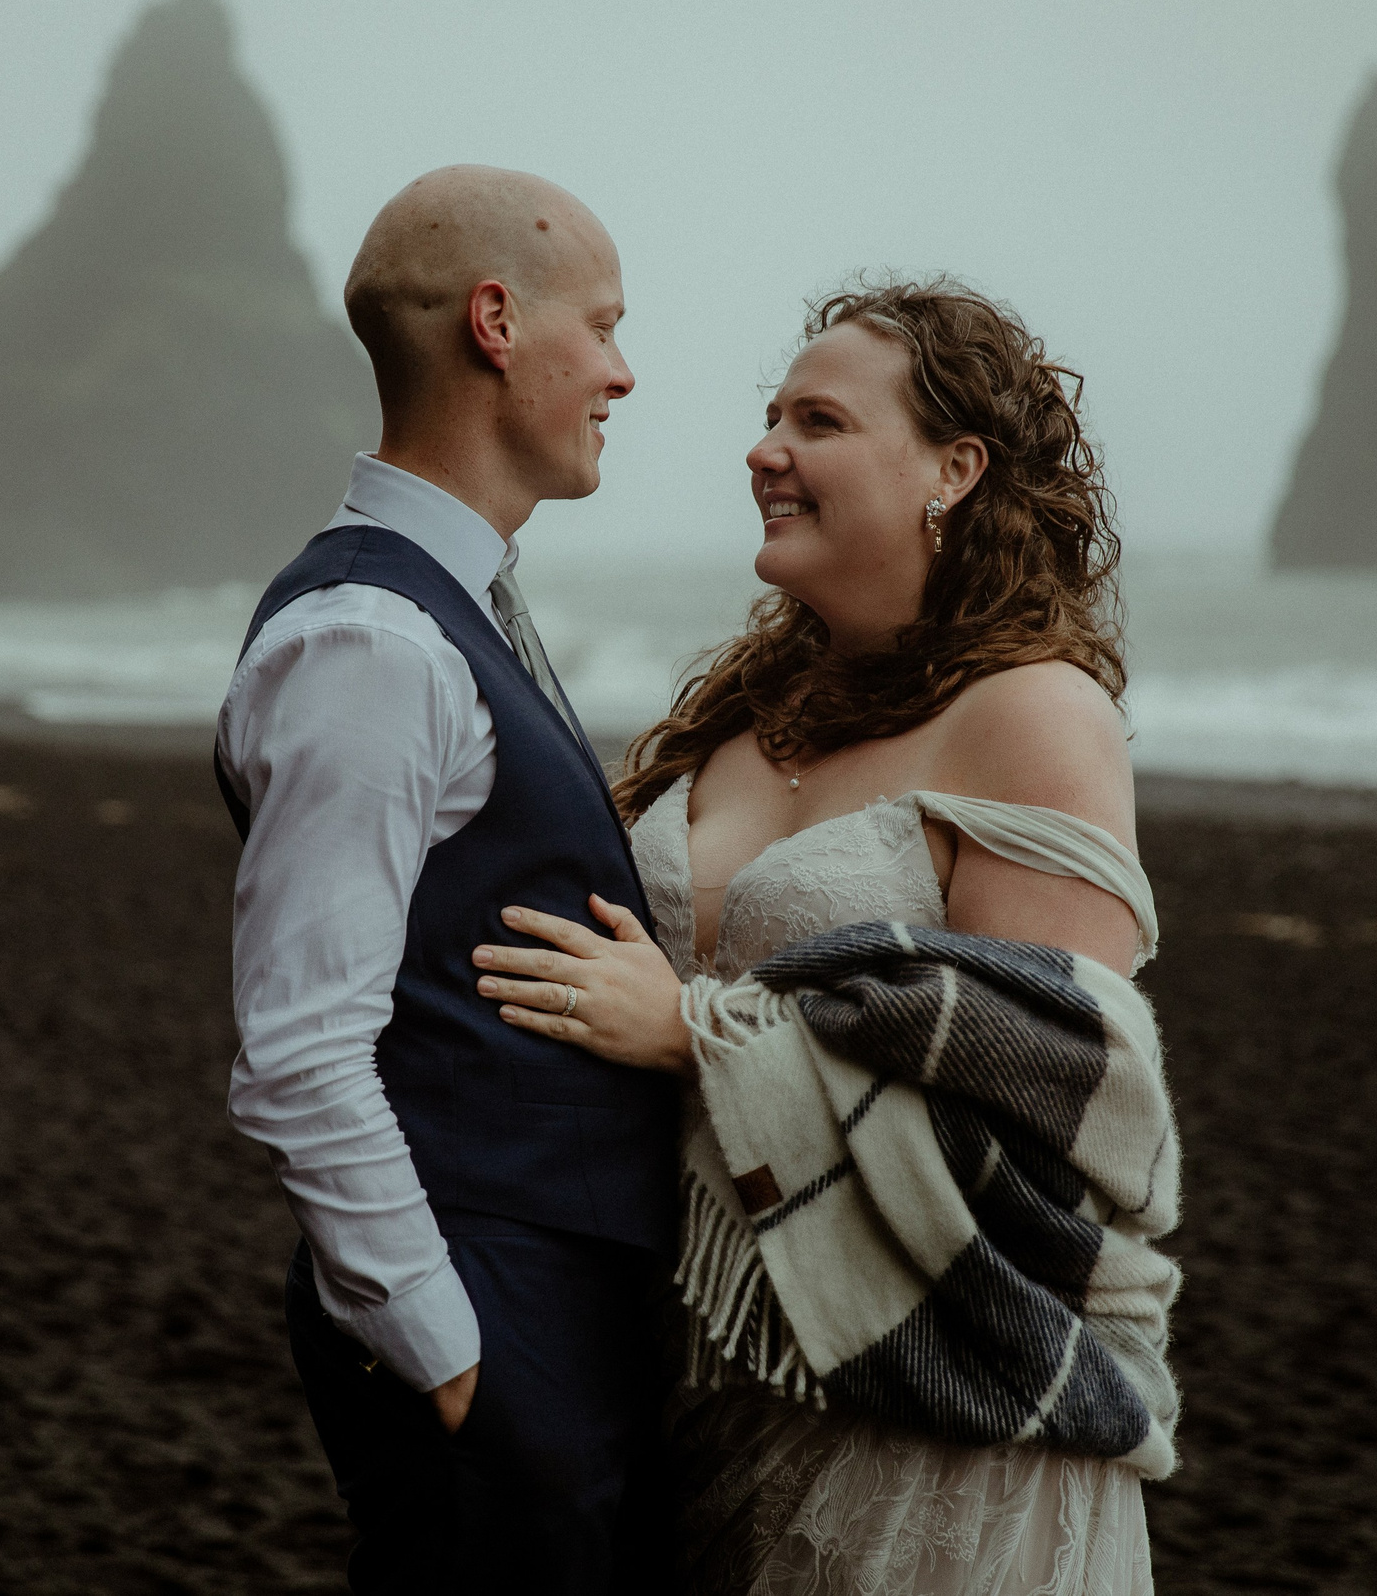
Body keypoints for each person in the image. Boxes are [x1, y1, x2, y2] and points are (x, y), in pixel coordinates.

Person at [471, 278, 1176, 1594]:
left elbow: (1053, 1104)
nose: (763, 449)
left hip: (942, 1425)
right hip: (711, 1378)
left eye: (819, 420)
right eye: (769, 416)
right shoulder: (745, 711)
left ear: (953, 468)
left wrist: (694, 1037)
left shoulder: (1032, 715)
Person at [215, 165, 683, 1594]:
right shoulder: (371, 642)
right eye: (601, 324)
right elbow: (298, 1046)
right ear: (495, 321)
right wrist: (454, 1351)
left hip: (552, 1305)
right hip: (485, 1310)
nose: (623, 368)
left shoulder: (447, 609)